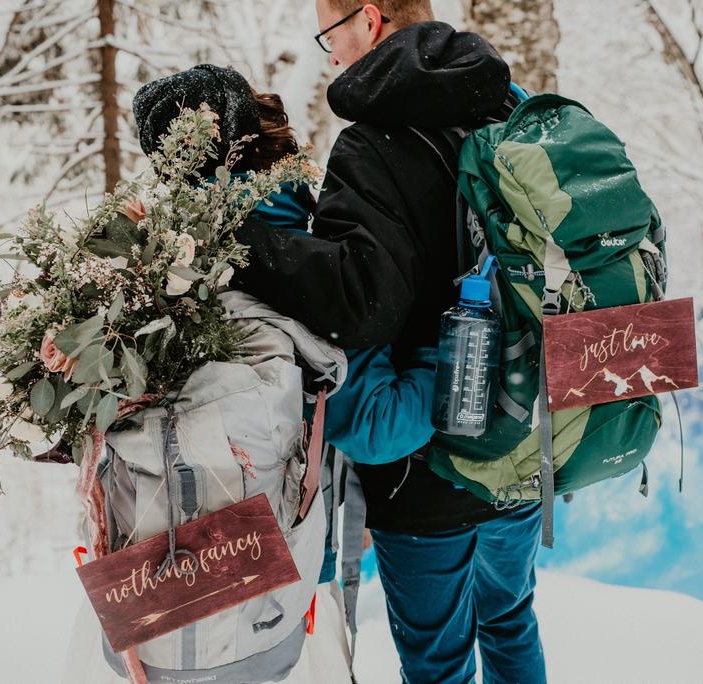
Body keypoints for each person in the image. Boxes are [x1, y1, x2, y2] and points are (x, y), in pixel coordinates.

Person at [228, 2, 548, 682]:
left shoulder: (371, 146)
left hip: (429, 468)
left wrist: (248, 246)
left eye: (330, 33)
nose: (330, 52)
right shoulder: (509, 110)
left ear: (368, 21)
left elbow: (361, 309)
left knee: (439, 664)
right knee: (511, 620)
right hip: (523, 438)